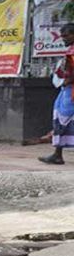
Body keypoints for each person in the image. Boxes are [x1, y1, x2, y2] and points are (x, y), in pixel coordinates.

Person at [39, 23, 74, 165]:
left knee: (63, 119)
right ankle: (57, 154)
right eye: (62, 37)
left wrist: (66, 82)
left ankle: (58, 155)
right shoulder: (70, 51)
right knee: (61, 119)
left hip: (71, 91)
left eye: (66, 36)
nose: (63, 39)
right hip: (68, 90)